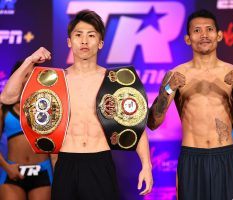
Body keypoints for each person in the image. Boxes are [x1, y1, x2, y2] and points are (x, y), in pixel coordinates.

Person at [0, 10, 153, 200]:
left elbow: (136, 125)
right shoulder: (54, 80)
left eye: (91, 35)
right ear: (69, 42)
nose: (84, 41)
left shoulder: (114, 81)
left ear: (100, 43)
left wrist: (146, 165)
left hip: (100, 162)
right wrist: (30, 61)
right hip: (66, 164)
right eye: (78, 35)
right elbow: (7, 98)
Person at [147, 9, 233, 200]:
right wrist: (168, 90)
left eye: (209, 29)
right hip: (192, 158)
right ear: (187, 38)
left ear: (219, 36)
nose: (204, 35)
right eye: (197, 30)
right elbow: (153, 123)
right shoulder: (175, 75)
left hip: (224, 157)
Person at [0, 62, 53, 200]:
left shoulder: (49, 105)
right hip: (12, 172)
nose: (28, 78)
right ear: (16, 77)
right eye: (25, 74)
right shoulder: (3, 106)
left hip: (43, 171)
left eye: (33, 75)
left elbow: (56, 143)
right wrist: (6, 167)